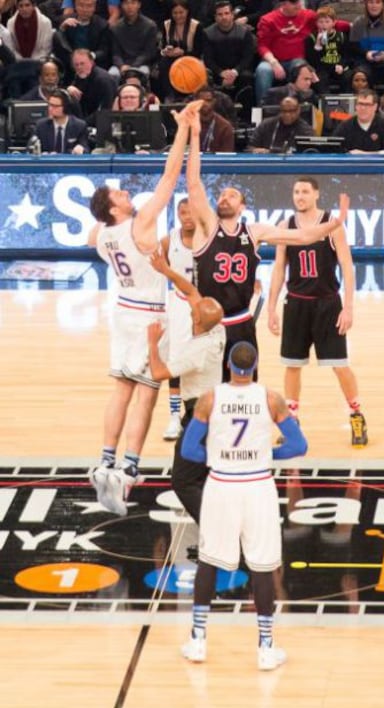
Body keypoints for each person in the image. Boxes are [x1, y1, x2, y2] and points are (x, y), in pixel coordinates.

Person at [88, 99, 202, 516]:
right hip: (152, 312)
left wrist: (102, 217)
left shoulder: (101, 234)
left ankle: (105, 460)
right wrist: (185, 131)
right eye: (119, 193)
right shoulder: (137, 224)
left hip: (122, 310)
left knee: (119, 388)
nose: (126, 193)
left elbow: (91, 233)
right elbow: (170, 177)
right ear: (114, 207)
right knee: (145, 394)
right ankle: (129, 470)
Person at [186, 107, 350, 381]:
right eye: (222, 195)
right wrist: (194, 135)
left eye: (232, 195)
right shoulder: (207, 228)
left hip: (241, 322)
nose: (225, 198)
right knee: (206, 391)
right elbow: (193, 183)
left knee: (246, 387)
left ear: (243, 206)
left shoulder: (254, 231)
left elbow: (302, 237)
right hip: (209, 322)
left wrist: (335, 222)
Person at [179, 341, 308, 669]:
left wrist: (216, 458)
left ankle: (197, 641)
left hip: (221, 486)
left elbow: (189, 451)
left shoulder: (210, 398)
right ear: (254, 366)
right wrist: (270, 455)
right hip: (258, 486)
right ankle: (265, 648)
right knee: (263, 566)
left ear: (228, 366)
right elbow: (298, 445)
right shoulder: (270, 398)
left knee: (208, 561)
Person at [267, 176, 368, 447]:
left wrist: (348, 307)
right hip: (296, 303)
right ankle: (292, 422)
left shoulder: (332, 225)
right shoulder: (284, 226)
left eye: (305, 192)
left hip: (327, 303)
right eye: (296, 191)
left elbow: (347, 266)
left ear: (316, 195)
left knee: (339, 365)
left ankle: (356, 415)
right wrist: (271, 307)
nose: (299, 196)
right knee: (292, 365)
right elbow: (279, 268)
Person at [147, 250, 225, 523]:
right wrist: (165, 271)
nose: (191, 307)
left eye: (193, 312)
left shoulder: (197, 352)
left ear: (196, 321)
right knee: (206, 476)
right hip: (216, 412)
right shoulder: (217, 329)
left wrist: (153, 343)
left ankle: (213, 528)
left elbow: (158, 373)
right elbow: (191, 291)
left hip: (200, 419)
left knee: (182, 481)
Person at [160, 197, 196, 441]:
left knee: (203, 361)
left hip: (203, 305)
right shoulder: (168, 240)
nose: (187, 216)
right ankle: (175, 416)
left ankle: (198, 413)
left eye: (190, 212)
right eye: (182, 212)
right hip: (179, 304)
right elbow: (155, 268)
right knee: (175, 360)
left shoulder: (210, 237)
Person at [332, 87, 384, 153]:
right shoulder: (345, 126)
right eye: (360, 104)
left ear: (375, 107)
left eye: (367, 104)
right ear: (356, 106)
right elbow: (334, 149)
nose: (363, 108)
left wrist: (365, 154)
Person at [30, 87, 89, 153]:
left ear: (66, 108)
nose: (50, 109)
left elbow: (85, 148)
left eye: (55, 106)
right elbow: (30, 148)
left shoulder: (79, 126)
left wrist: (80, 148)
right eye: (50, 105)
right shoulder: (40, 126)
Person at [247, 96, 314, 153]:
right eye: (284, 111)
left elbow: (310, 153)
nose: (287, 115)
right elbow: (249, 148)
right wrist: (256, 150)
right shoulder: (265, 125)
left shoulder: (306, 130)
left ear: (298, 110)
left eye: (291, 111)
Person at [194, 84, 235, 152]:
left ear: (214, 101)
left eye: (208, 100)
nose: (205, 104)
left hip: (216, 162)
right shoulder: (186, 124)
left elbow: (226, 157)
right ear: (195, 101)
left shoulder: (225, 127)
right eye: (201, 100)